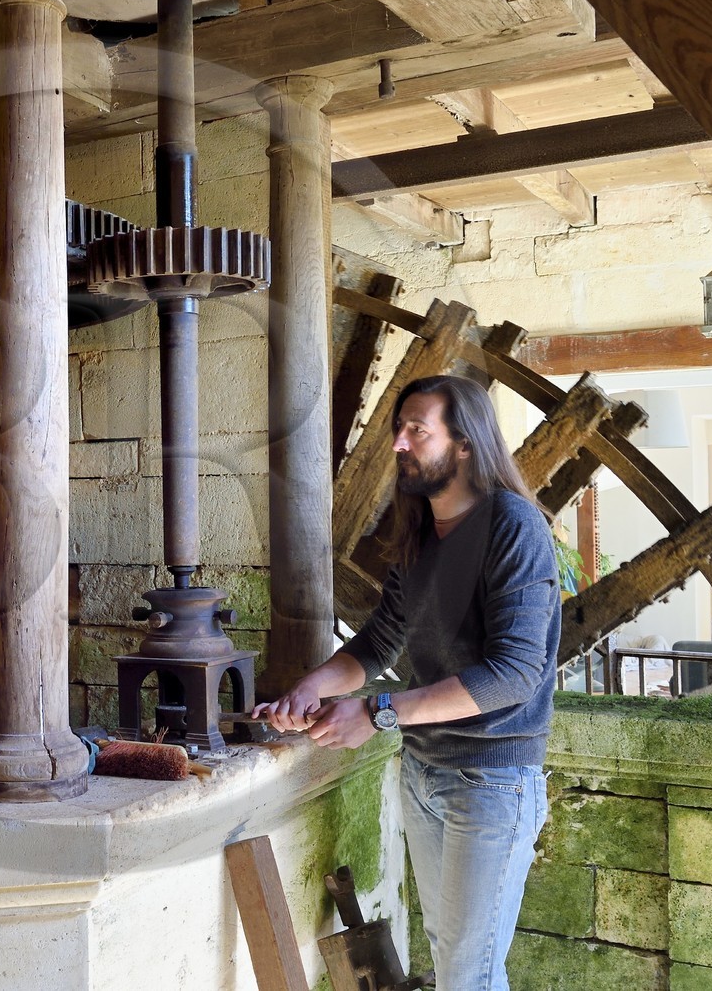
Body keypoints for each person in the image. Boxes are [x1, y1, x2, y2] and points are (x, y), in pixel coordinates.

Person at [254, 374, 560, 990]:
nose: (399, 444)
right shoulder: (421, 534)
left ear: (466, 443)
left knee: (466, 974)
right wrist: (312, 689)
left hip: (492, 781)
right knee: (452, 959)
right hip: (426, 773)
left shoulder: (512, 527)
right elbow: (378, 641)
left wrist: (374, 715)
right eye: (398, 430)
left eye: (417, 430)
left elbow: (516, 674)